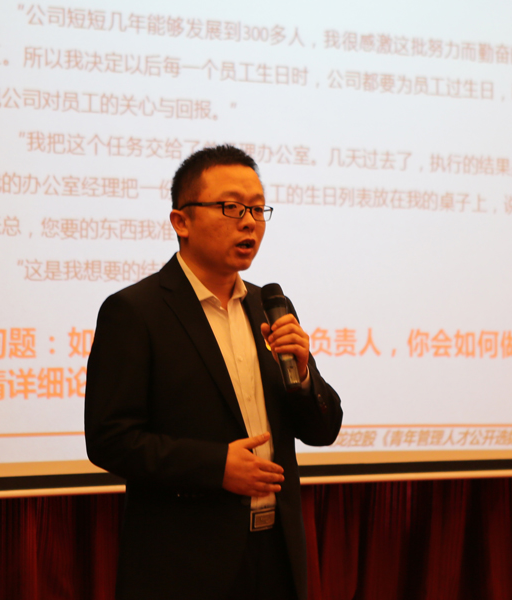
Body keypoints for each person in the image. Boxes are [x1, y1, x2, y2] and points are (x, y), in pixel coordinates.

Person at [84, 145, 343, 600]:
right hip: (186, 565)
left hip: (276, 556)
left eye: (258, 209)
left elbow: (323, 430)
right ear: (180, 221)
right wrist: (215, 466)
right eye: (231, 207)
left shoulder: (269, 306)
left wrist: (304, 378)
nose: (249, 222)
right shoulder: (136, 311)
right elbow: (110, 440)